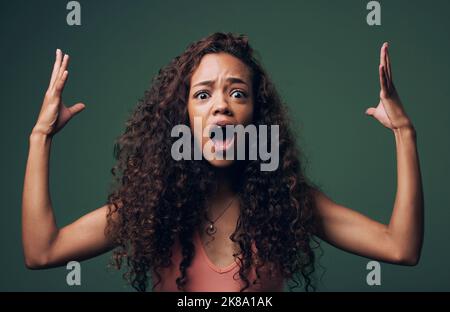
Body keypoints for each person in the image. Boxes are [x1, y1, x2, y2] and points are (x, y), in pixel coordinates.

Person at [22, 32, 424, 292]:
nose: (221, 107)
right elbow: (42, 252)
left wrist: (404, 132)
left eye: (237, 94)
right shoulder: (151, 208)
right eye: (202, 95)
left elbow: (401, 247)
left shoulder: (290, 204)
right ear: (183, 118)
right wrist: (40, 137)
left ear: (256, 115)